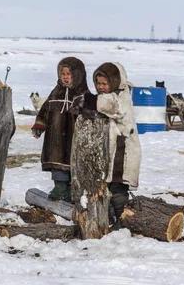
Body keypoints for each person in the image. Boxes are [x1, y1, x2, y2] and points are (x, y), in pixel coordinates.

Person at [80, 62, 142, 231]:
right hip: (109, 153)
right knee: (104, 186)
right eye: (98, 83)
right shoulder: (110, 96)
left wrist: (92, 102)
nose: (100, 87)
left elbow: (112, 107)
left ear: (114, 81)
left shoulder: (122, 98)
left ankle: (122, 219)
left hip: (123, 152)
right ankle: (106, 216)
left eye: (104, 84)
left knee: (118, 188)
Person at [32, 57, 89, 202]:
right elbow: (44, 110)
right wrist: (39, 126)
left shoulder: (83, 95)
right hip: (55, 137)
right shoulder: (55, 92)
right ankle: (59, 188)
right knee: (57, 162)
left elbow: (89, 116)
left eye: (69, 74)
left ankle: (71, 190)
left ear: (78, 74)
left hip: (73, 137)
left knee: (73, 164)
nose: (65, 77)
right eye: (63, 74)